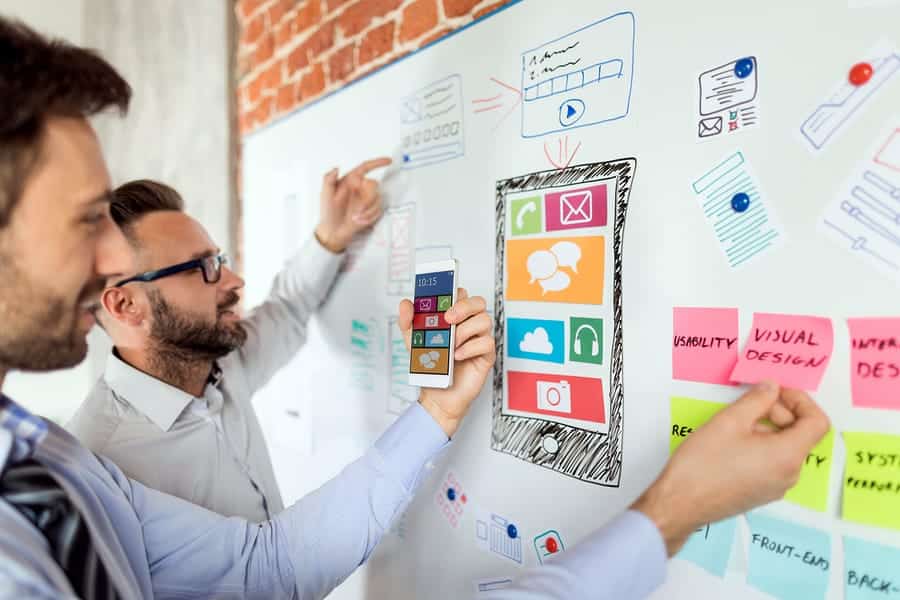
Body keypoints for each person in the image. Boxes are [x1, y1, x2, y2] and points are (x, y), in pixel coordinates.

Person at [0, 17, 830, 600]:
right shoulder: (93, 461)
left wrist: (342, 259)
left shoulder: (66, 458)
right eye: (84, 222)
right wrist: (673, 512)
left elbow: (269, 567)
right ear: (126, 306)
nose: (230, 281)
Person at [66, 171, 401, 522]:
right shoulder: (97, 470)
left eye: (219, 260)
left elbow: (286, 308)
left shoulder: (221, 363)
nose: (234, 282)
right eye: (202, 267)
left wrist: (332, 235)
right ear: (126, 306)